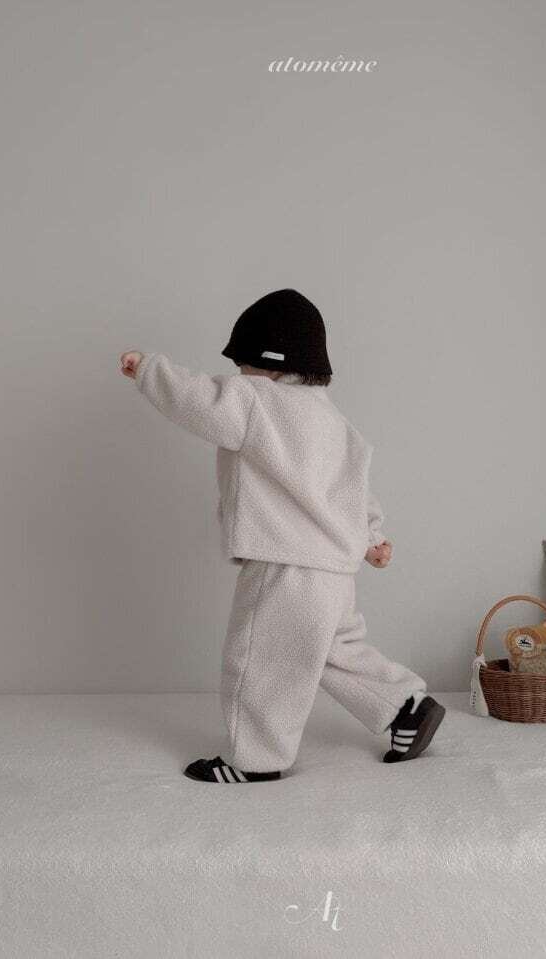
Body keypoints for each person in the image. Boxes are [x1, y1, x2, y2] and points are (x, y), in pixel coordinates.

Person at [120, 288, 445, 783]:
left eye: (243, 365)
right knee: (334, 649)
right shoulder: (337, 424)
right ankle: (407, 707)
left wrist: (148, 370)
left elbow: (197, 399)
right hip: (334, 570)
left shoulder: (255, 401)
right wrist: (371, 538)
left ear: (268, 364)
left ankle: (255, 759)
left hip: (284, 563)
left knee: (261, 659)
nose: (238, 374)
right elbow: (352, 491)